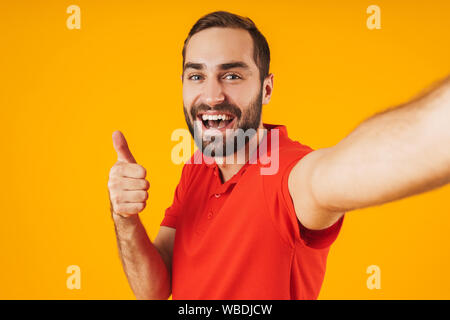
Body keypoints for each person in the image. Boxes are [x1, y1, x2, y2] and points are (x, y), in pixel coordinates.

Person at [107, 11, 450, 299]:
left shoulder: (291, 174)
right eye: (197, 75)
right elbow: (153, 289)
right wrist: (125, 218)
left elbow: (348, 167)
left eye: (232, 75)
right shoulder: (197, 168)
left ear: (266, 88)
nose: (211, 95)